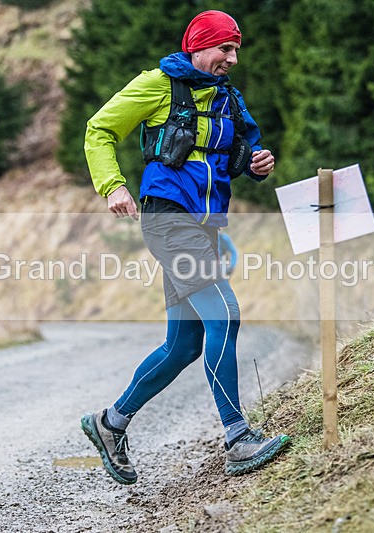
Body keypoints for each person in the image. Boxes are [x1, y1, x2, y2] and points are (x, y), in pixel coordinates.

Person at [80, 10, 289, 485]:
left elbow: (246, 153)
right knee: (225, 316)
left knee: (184, 345)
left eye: (236, 50)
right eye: (224, 49)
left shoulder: (227, 98)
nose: (232, 59)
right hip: (169, 220)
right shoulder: (158, 84)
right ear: (199, 46)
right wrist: (112, 186)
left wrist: (259, 163)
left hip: (205, 225)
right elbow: (99, 129)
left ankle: (110, 423)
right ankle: (238, 438)